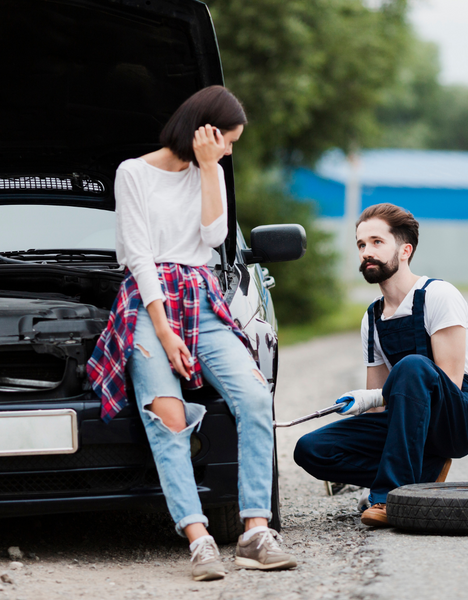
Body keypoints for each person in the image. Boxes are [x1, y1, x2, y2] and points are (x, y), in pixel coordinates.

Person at [87, 86, 296, 580]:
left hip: (202, 299)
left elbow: (213, 237)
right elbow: (137, 256)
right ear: (204, 128)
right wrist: (164, 331)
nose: (228, 150)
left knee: (252, 397)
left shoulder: (213, 173)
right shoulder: (133, 172)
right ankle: (198, 538)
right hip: (149, 305)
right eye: (227, 141)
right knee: (169, 417)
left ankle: (254, 531)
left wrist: (208, 170)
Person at [294, 203, 468, 527]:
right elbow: (377, 402)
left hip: (460, 416)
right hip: (408, 419)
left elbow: (449, 380)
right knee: (310, 449)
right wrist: (366, 408)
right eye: (361, 245)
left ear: (405, 250)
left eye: (376, 242)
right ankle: (425, 470)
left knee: (412, 366)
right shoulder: (372, 318)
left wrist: (381, 398)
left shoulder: (438, 295)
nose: (366, 252)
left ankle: (389, 497)